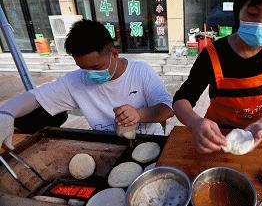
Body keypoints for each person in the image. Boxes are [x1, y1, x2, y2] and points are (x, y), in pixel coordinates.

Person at [0, 19, 173, 149]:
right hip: (109, 148)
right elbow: (35, 97)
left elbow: (167, 108)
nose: (90, 74)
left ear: (114, 53)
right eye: (83, 68)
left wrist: (139, 114)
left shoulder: (140, 71)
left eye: (96, 66)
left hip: (150, 144)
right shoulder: (75, 82)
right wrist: (7, 113)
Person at [173, 0, 262, 153]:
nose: (259, 24)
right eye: (252, 13)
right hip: (217, 135)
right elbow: (181, 100)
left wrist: (261, 125)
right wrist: (195, 123)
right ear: (238, 10)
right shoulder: (213, 54)